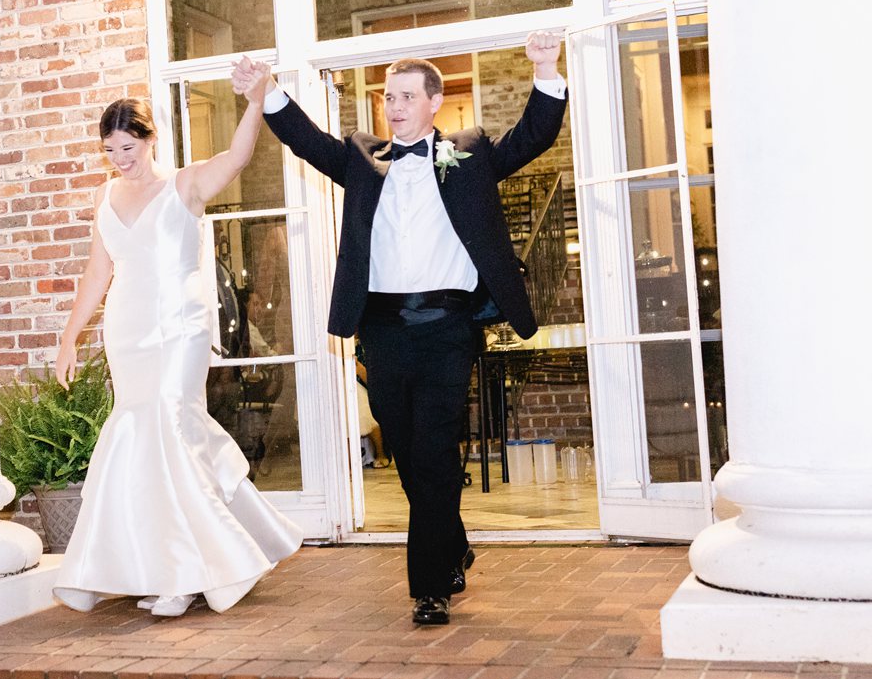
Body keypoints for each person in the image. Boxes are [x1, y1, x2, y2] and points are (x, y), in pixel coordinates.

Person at [232, 34, 566, 627]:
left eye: (407, 96)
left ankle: (429, 587)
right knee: (409, 451)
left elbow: (534, 136)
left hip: (447, 327)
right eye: (389, 97)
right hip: (382, 331)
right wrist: (268, 91)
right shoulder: (362, 158)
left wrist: (545, 68)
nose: (395, 106)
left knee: (435, 449)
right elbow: (308, 142)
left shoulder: (470, 153)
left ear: (435, 102)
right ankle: (451, 540)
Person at [50, 93, 302, 617]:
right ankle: (161, 565)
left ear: (149, 139)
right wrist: (69, 338)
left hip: (178, 329)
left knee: (172, 427)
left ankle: (187, 576)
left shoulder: (184, 185)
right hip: (127, 331)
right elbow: (98, 273)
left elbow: (235, 157)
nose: (120, 159)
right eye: (110, 150)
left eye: (128, 147)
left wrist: (256, 101)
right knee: (144, 440)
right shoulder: (106, 195)